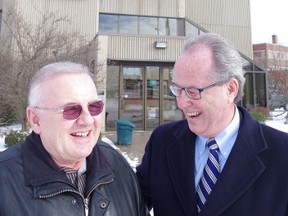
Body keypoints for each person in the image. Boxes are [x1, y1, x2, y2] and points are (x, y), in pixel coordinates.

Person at [136, 33, 288, 216]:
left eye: (193, 91)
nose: (181, 103)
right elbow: (128, 200)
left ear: (230, 89)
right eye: (178, 90)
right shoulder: (162, 141)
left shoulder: (282, 153)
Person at [0, 62, 149, 216]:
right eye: (71, 110)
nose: (88, 120)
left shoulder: (116, 164)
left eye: (94, 107)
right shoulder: (4, 180)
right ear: (36, 119)